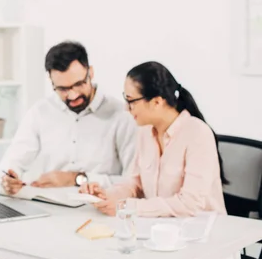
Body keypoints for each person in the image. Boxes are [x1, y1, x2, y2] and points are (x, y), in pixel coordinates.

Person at [0, 41, 137, 259]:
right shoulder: (41, 112)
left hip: (96, 219)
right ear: (51, 82)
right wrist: (10, 179)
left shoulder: (122, 115)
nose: (73, 94)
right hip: (48, 215)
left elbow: (134, 182)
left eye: (79, 84)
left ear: (91, 72)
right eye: (63, 88)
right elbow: (11, 162)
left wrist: (76, 178)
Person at [81, 61, 228, 217]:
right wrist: (107, 195)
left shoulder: (198, 134)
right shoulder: (144, 132)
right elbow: (135, 184)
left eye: (131, 101)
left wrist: (129, 207)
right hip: (161, 230)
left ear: (157, 102)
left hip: (205, 233)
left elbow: (190, 204)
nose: (126, 108)